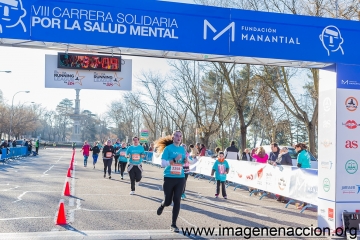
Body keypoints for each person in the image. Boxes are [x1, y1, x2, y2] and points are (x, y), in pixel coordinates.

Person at [156, 130, 187, 233]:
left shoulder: (183, 149)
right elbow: (163, 163)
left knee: (177, 200)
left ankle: (173, 224)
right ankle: (162, 205)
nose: (178, 137)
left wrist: (185, 161)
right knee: (168, 201)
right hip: (169, 177)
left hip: (180, 177)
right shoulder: (168, 149)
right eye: (177, 136)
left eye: (180, 136)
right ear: (173, 137)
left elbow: (183, 162)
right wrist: (173, 159)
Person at [294, 143, 311, 209]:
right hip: (309, 171)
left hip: (303, 172)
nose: (295, 149)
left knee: (302, 188)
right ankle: (305, 203)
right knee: (306, 188)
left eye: (296, 148)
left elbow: (299, 165)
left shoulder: (300, 154)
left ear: (299, 148)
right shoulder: (307, 152)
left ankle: (303, 204)